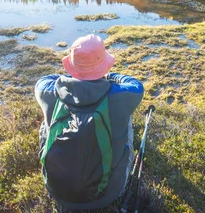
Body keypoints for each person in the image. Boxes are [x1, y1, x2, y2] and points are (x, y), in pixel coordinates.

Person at [35, 34, 144, 211]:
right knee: (126, 117)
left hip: (56, 191)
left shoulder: (48, 92)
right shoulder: (122, 95)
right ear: (104, 65)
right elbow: (136, 85)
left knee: (45, 124)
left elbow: (44, 80)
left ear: (71, 64)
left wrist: (75, 73)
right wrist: (109, 76)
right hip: (109, 194)